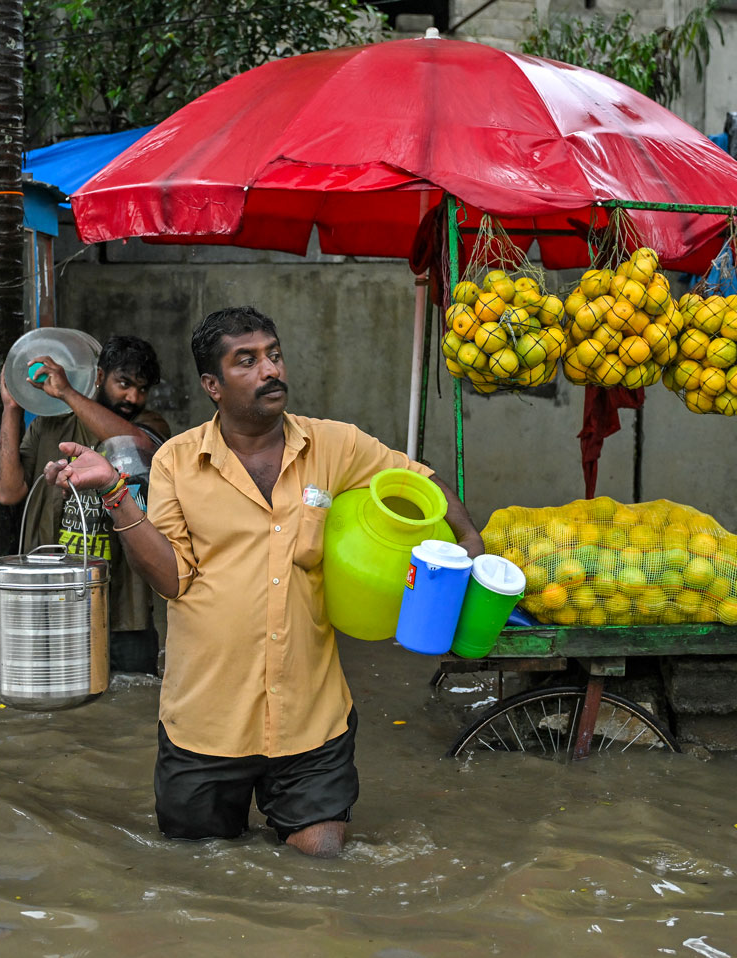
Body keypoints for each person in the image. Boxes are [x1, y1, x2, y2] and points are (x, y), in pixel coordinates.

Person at [47, 306, 482, 857]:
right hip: (205, 721)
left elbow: (418, 482)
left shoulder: (335, 446)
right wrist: (115, 494)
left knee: (319, 863)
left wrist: (470, 540)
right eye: (246, 361)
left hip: (310, 718)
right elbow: (172, 579)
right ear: (213, 386)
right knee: (201, 871)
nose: (269, 370)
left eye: (273, 355)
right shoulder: (176, 462)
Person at [0, 334, 172, 673]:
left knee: (128, 705)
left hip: (124, 610)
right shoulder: (51, 425)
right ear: (100, 376)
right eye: (125, 383)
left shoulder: (148, 426)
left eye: (142, 388)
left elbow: (130, 443)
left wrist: (67, 392)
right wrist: (12, 408)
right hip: (54, 599)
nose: (133, 397)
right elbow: (8, 491)